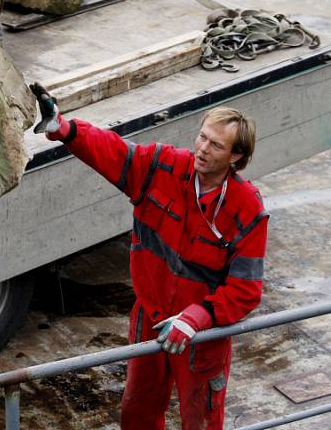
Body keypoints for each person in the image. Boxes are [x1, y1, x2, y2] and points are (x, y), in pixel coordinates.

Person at [30, 84, 268, 430]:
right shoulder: (164, 168)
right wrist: (64, 129)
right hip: (150, 317)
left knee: (201, 418)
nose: (201, 149)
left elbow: (246, 291)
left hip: (202, 334)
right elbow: (114, 153)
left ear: (235, 157)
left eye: (215, 145)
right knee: (138, 411)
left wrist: (194, 319)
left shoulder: (247, 211)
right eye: (202, 137)